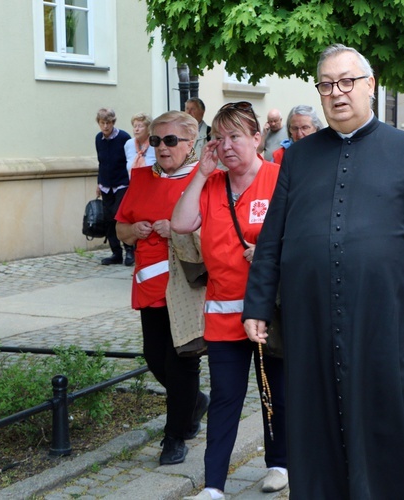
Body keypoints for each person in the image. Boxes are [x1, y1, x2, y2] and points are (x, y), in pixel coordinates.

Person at [242, 43, 404, 499]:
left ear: (370, 85)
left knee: (391, 421)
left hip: (385, 320)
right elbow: (272, 239)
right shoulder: (297, 158)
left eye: (347, 82)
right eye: (326, 84)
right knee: (315, 424)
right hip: (311, 320)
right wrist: (258, 303)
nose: (337, 93)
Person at [172, 102, 288, 500]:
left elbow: (303, 234)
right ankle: (214, 486)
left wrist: (273, 251)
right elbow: (181, 224)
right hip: (224, 314)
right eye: (218, 138)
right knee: (225, 398)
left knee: (276, 392)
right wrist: (200, 174)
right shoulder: (212, 185)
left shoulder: (279, 178)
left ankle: (279, 463)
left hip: (272, 312)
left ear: (257, 139)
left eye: (235, 136)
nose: (226, 145)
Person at [115, 111, 209, 466]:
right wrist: (134, 229)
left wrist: (181, 228)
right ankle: (195, 402)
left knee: (181, 359)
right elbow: (120, 229)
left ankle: (175, 436)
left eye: (170, 141)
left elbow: (216, 231)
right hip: (149, 283)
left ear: (190, 143)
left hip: (184, 284)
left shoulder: (206, 179)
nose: (162, 148)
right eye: (156, 141)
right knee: (155, 358)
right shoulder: (141, 177)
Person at [94, 108, 134, 266]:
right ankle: (116, 253)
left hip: (122, 183)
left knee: (121, 217)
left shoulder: (124, 138)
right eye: (102, 123)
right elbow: (101, 162)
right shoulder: (98, 139)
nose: (105, 126)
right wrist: (98, 182)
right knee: (109, 219)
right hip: (105, 184)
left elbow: (130, 160)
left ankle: (129, 250)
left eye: (108, 123)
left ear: (113, 122)